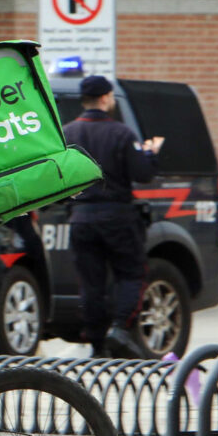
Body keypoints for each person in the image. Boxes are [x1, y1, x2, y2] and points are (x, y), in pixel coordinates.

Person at [62, 75, 164, 359]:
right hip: (117, 217)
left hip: (80, 218)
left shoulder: (67, 133)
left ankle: (96, 343)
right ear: (106, 98)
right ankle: (119, 329)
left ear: (84, 100)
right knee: (130, 274)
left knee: (90, 281)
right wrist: (151, 155)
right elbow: (142, 174)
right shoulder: (121, 133)